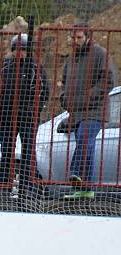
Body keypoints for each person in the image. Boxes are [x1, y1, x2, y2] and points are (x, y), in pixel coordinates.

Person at [0, 33, 50, 200]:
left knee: (29, 152)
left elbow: (45, 92)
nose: (20, 52)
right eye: (17, 49)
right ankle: (3, 186)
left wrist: (35, 110)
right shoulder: (4, 67)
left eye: (23, 49)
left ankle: (28, 187)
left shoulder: (35, 68)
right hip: (7, 117)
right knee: (6, 151)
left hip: (28, 118)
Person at [59, 23, 116, 200]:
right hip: (76, 113)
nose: (75, 41)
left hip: (94, 111)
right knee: (86, 146)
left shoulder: (100, 54)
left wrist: (87, 97)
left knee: (85, 139)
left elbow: (108, 81)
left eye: (79, 38)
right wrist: (64, 98)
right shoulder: (71, 59)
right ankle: (86, 189)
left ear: (88, 38)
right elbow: (64, 81)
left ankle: (76, 174)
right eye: (73, 38)